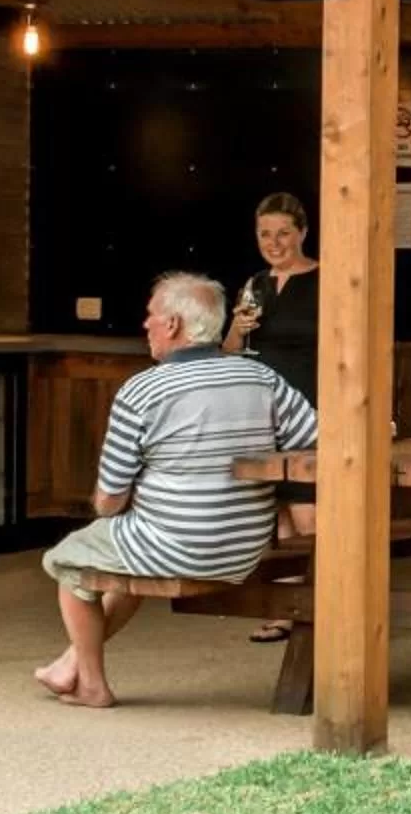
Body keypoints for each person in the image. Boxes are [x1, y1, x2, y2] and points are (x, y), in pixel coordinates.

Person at [35, 272, 319, 708]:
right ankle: (70, 662)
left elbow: (110, 500)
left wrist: (116, 505)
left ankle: (91, 684)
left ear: (172, 325)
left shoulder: (142, 390)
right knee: (123, 562)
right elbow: (313, 435)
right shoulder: (260, 377)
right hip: (244, 548)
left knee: (69, 560)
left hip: (179, 545)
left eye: (150, 316)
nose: (145, 324)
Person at [222, 191, 321, 643]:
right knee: (275, 513)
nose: (274, 242)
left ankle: (322, 607)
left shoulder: (327, 279)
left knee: (309, 512)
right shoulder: (255, 285)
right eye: (265, 234)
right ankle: (286, 610)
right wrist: (235, 331)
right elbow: (230, 355)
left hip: (310, 407)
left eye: (283, 232)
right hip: (262, 411)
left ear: (303, 232)